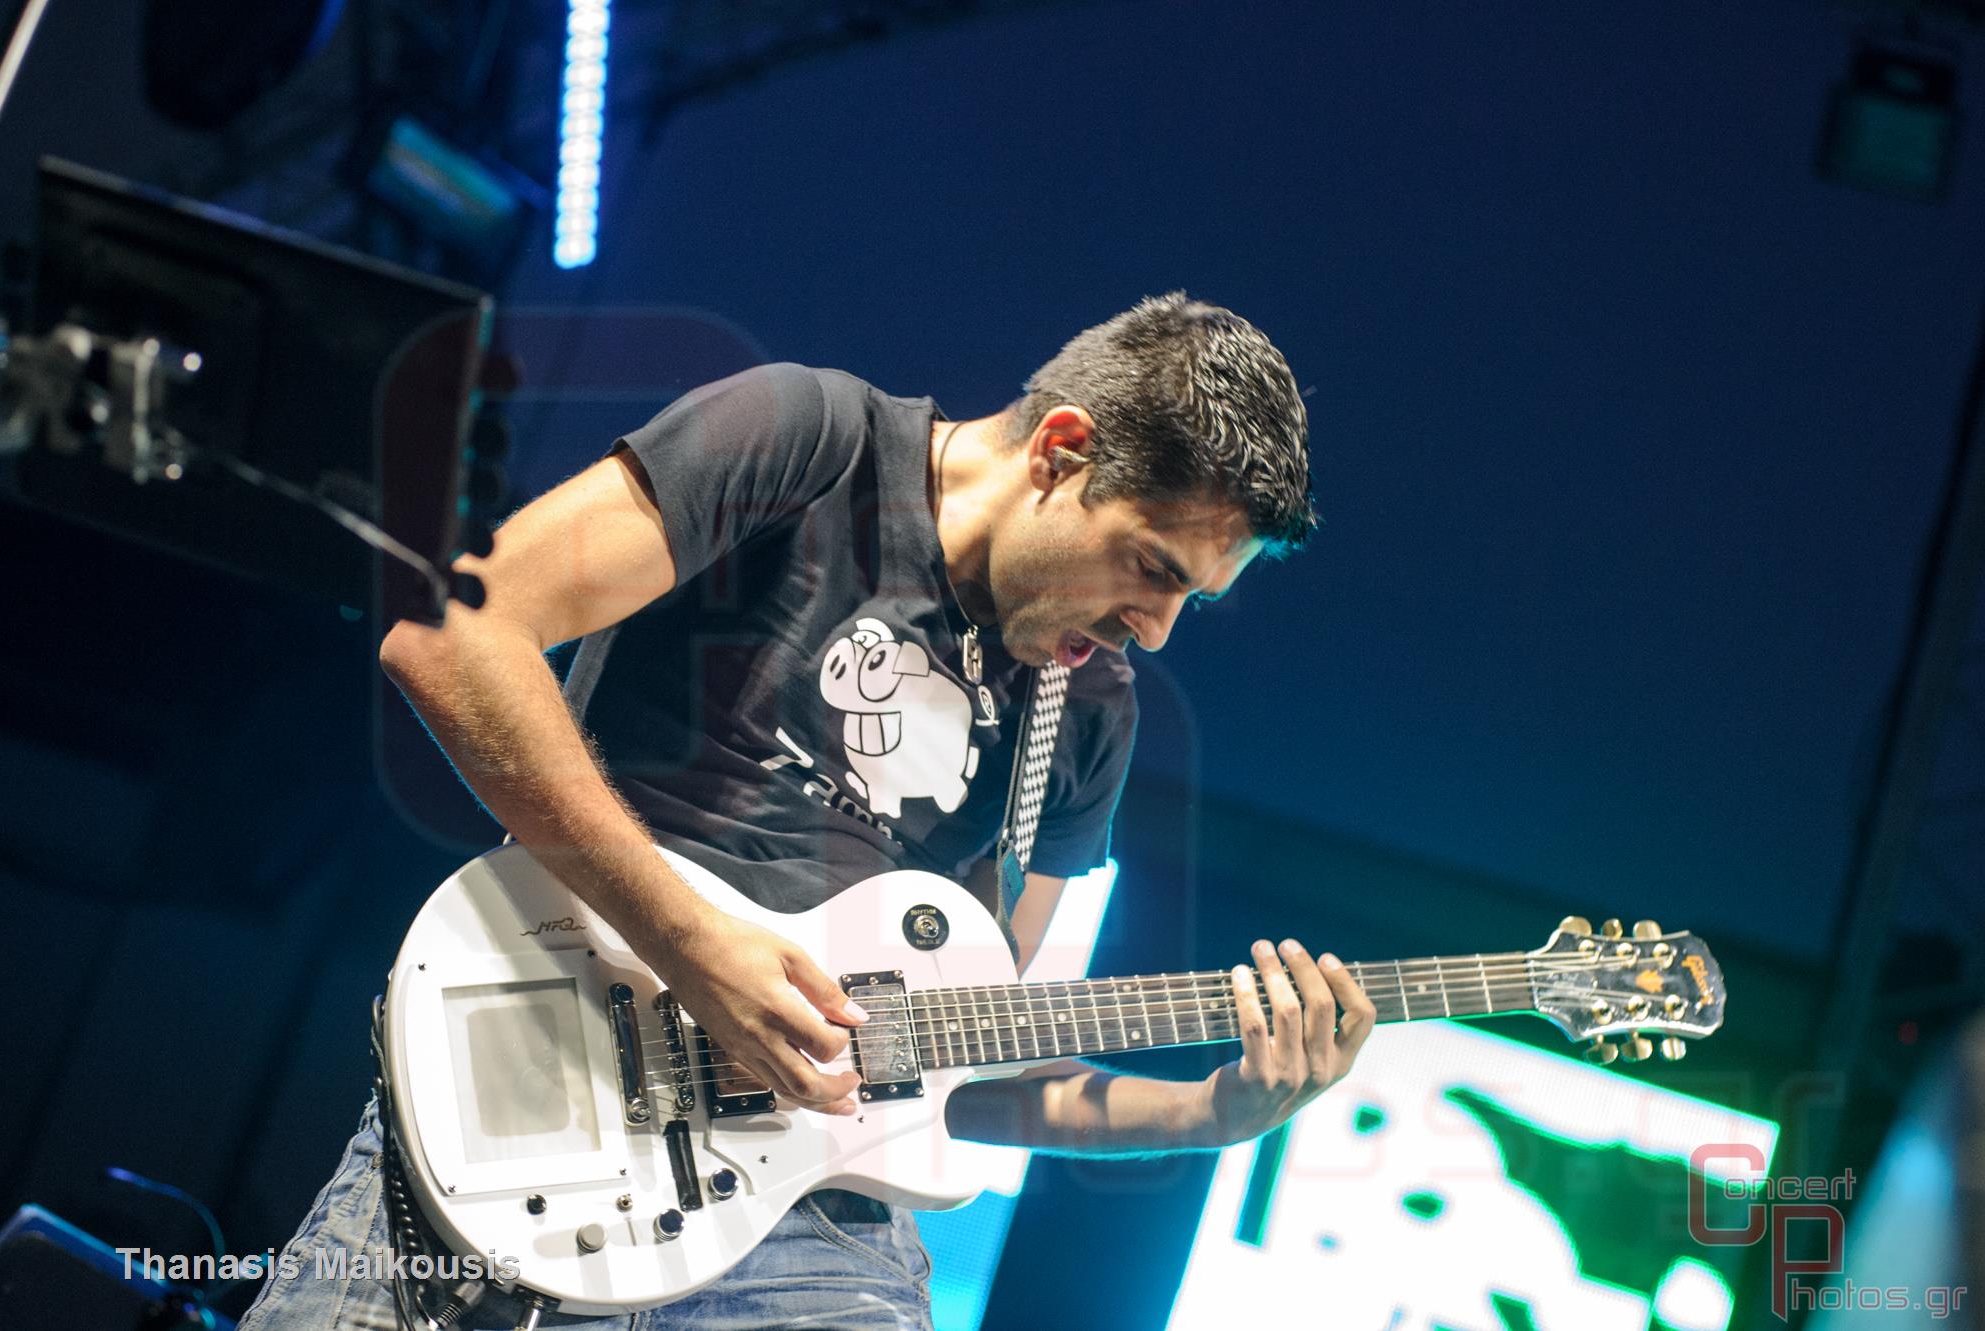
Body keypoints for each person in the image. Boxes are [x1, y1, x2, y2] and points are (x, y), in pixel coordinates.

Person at [236, 292, 1376, 1331]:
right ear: (1059, 450)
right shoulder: (809, 439)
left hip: (817, 1236)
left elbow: (958, 1065)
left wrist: (1214, 1110)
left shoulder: (1088, 712)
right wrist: (689, 942)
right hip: (548, 1094)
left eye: (1190, 599)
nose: (1157, 629)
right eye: (1152, 567)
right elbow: (450, 633)